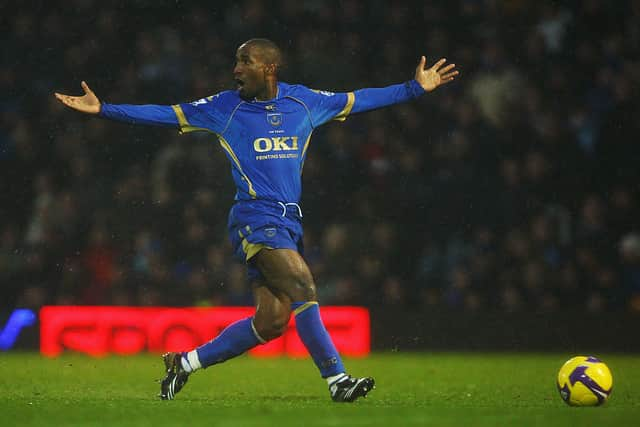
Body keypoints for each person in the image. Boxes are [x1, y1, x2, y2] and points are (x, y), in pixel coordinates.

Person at [54, 38, 458, 402]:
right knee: (303, 283)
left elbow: (359, 98)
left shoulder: (304, 102)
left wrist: (414, 88)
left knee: (273, 320)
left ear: (269, 67)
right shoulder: (223, 108)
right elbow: (164, 113)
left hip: (289, 221)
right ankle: (338, 380)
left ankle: (184, 363)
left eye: (244, 61)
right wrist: (104, 109)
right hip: (254, 215)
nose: (236, 69)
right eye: (235, 61)